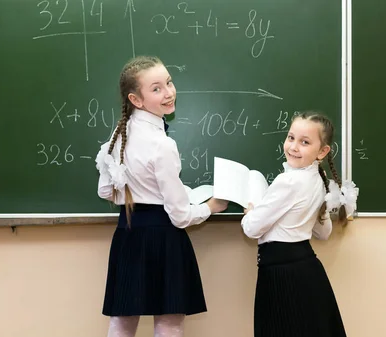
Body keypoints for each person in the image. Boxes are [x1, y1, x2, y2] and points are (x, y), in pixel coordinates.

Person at [95, 55, 228, 337]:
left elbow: (105, 190)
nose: (168, 92)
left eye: (169, 82)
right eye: (156, 88)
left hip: (128, 234)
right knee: (168, 322)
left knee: (122, 320)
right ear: (136, 99)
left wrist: (137, 188)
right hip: (164, 236)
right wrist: (210, 207)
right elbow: (179, 216)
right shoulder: (162, 144)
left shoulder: (118, 136)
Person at [240, 112, 358, 337]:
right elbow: (324, 233)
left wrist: (251, 211)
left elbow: (251, 228)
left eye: (305, 142)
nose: (293, 146)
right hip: (306, 270)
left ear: (322, 151)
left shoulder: (289, 181)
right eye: (291, 137)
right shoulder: (317, 180)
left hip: (282, 273)